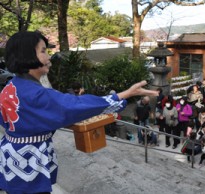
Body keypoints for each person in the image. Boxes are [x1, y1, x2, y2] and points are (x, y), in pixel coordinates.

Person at [0, 31, 158, 194]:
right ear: (27, 55)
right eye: (43, 51)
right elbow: (76, 105)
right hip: (30, 161)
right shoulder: (37, 94)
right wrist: (126, 94)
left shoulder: (9, 88)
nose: (48, 56)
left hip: (11, 155)